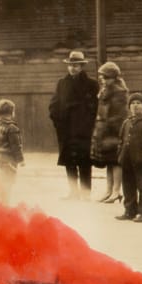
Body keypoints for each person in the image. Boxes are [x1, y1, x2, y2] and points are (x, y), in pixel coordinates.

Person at [48, 49, 98, 199]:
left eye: (76, 65)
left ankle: (86, 193)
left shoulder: (92, 84)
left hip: (84, 130)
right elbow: (54, 104)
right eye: (70, 65)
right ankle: (73, 192)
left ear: (82, 67)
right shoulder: (62, 83)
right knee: (69, 162)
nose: (73, 68)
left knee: (84, 162)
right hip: (66, 129)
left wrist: (89, 124)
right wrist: (58, 122)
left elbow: (96, 107)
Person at [115, 92, 142, 223]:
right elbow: (121, 140)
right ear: (129, 107)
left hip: (141, 162)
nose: (135, 106)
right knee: (128, 187)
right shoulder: (126, 123)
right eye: (132, 103)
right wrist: (120, 155)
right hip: (127, 161)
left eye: (138, 103)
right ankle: (130, 211)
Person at [91, 61, 129, 203]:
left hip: (115, 130)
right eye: (102, 77)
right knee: (109, 161)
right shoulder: (106, 89)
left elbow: (120, 114)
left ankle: (116, 191)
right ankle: (109, 191)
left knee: (115, 161)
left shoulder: (119, 91)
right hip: (105, 129)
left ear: (114, 77)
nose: (103, 79)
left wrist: (106, 124)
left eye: (106, 77)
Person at [0, 98, 24, 200]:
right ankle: (5, 206)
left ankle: (2, 204)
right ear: (12, 112)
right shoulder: (12, 128)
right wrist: (21, 160)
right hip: (9, 159)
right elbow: (16, 146)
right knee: (8, 183)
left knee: (2, 183)